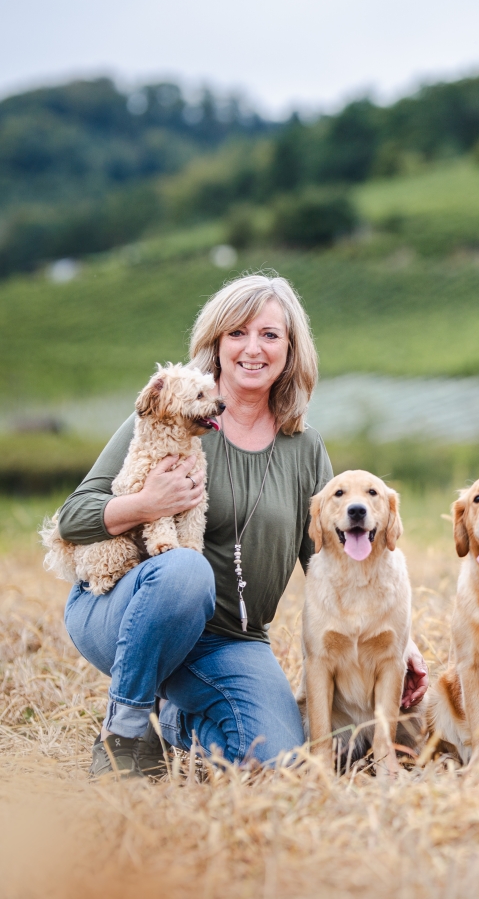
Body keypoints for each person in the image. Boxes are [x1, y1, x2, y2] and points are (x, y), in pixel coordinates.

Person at [59, 273, 429, 778]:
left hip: (233, 640)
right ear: (216, 343)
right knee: (185, 571)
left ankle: (178, 724)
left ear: (290, 350)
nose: (252, 348)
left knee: (277, 762)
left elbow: (332, 554)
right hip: (132, 615)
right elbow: (73, 517)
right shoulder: (170, 416)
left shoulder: (304, 447)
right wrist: (146, 503)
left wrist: (401, 639)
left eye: (270, 335)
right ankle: (124, 731)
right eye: (237, 333)